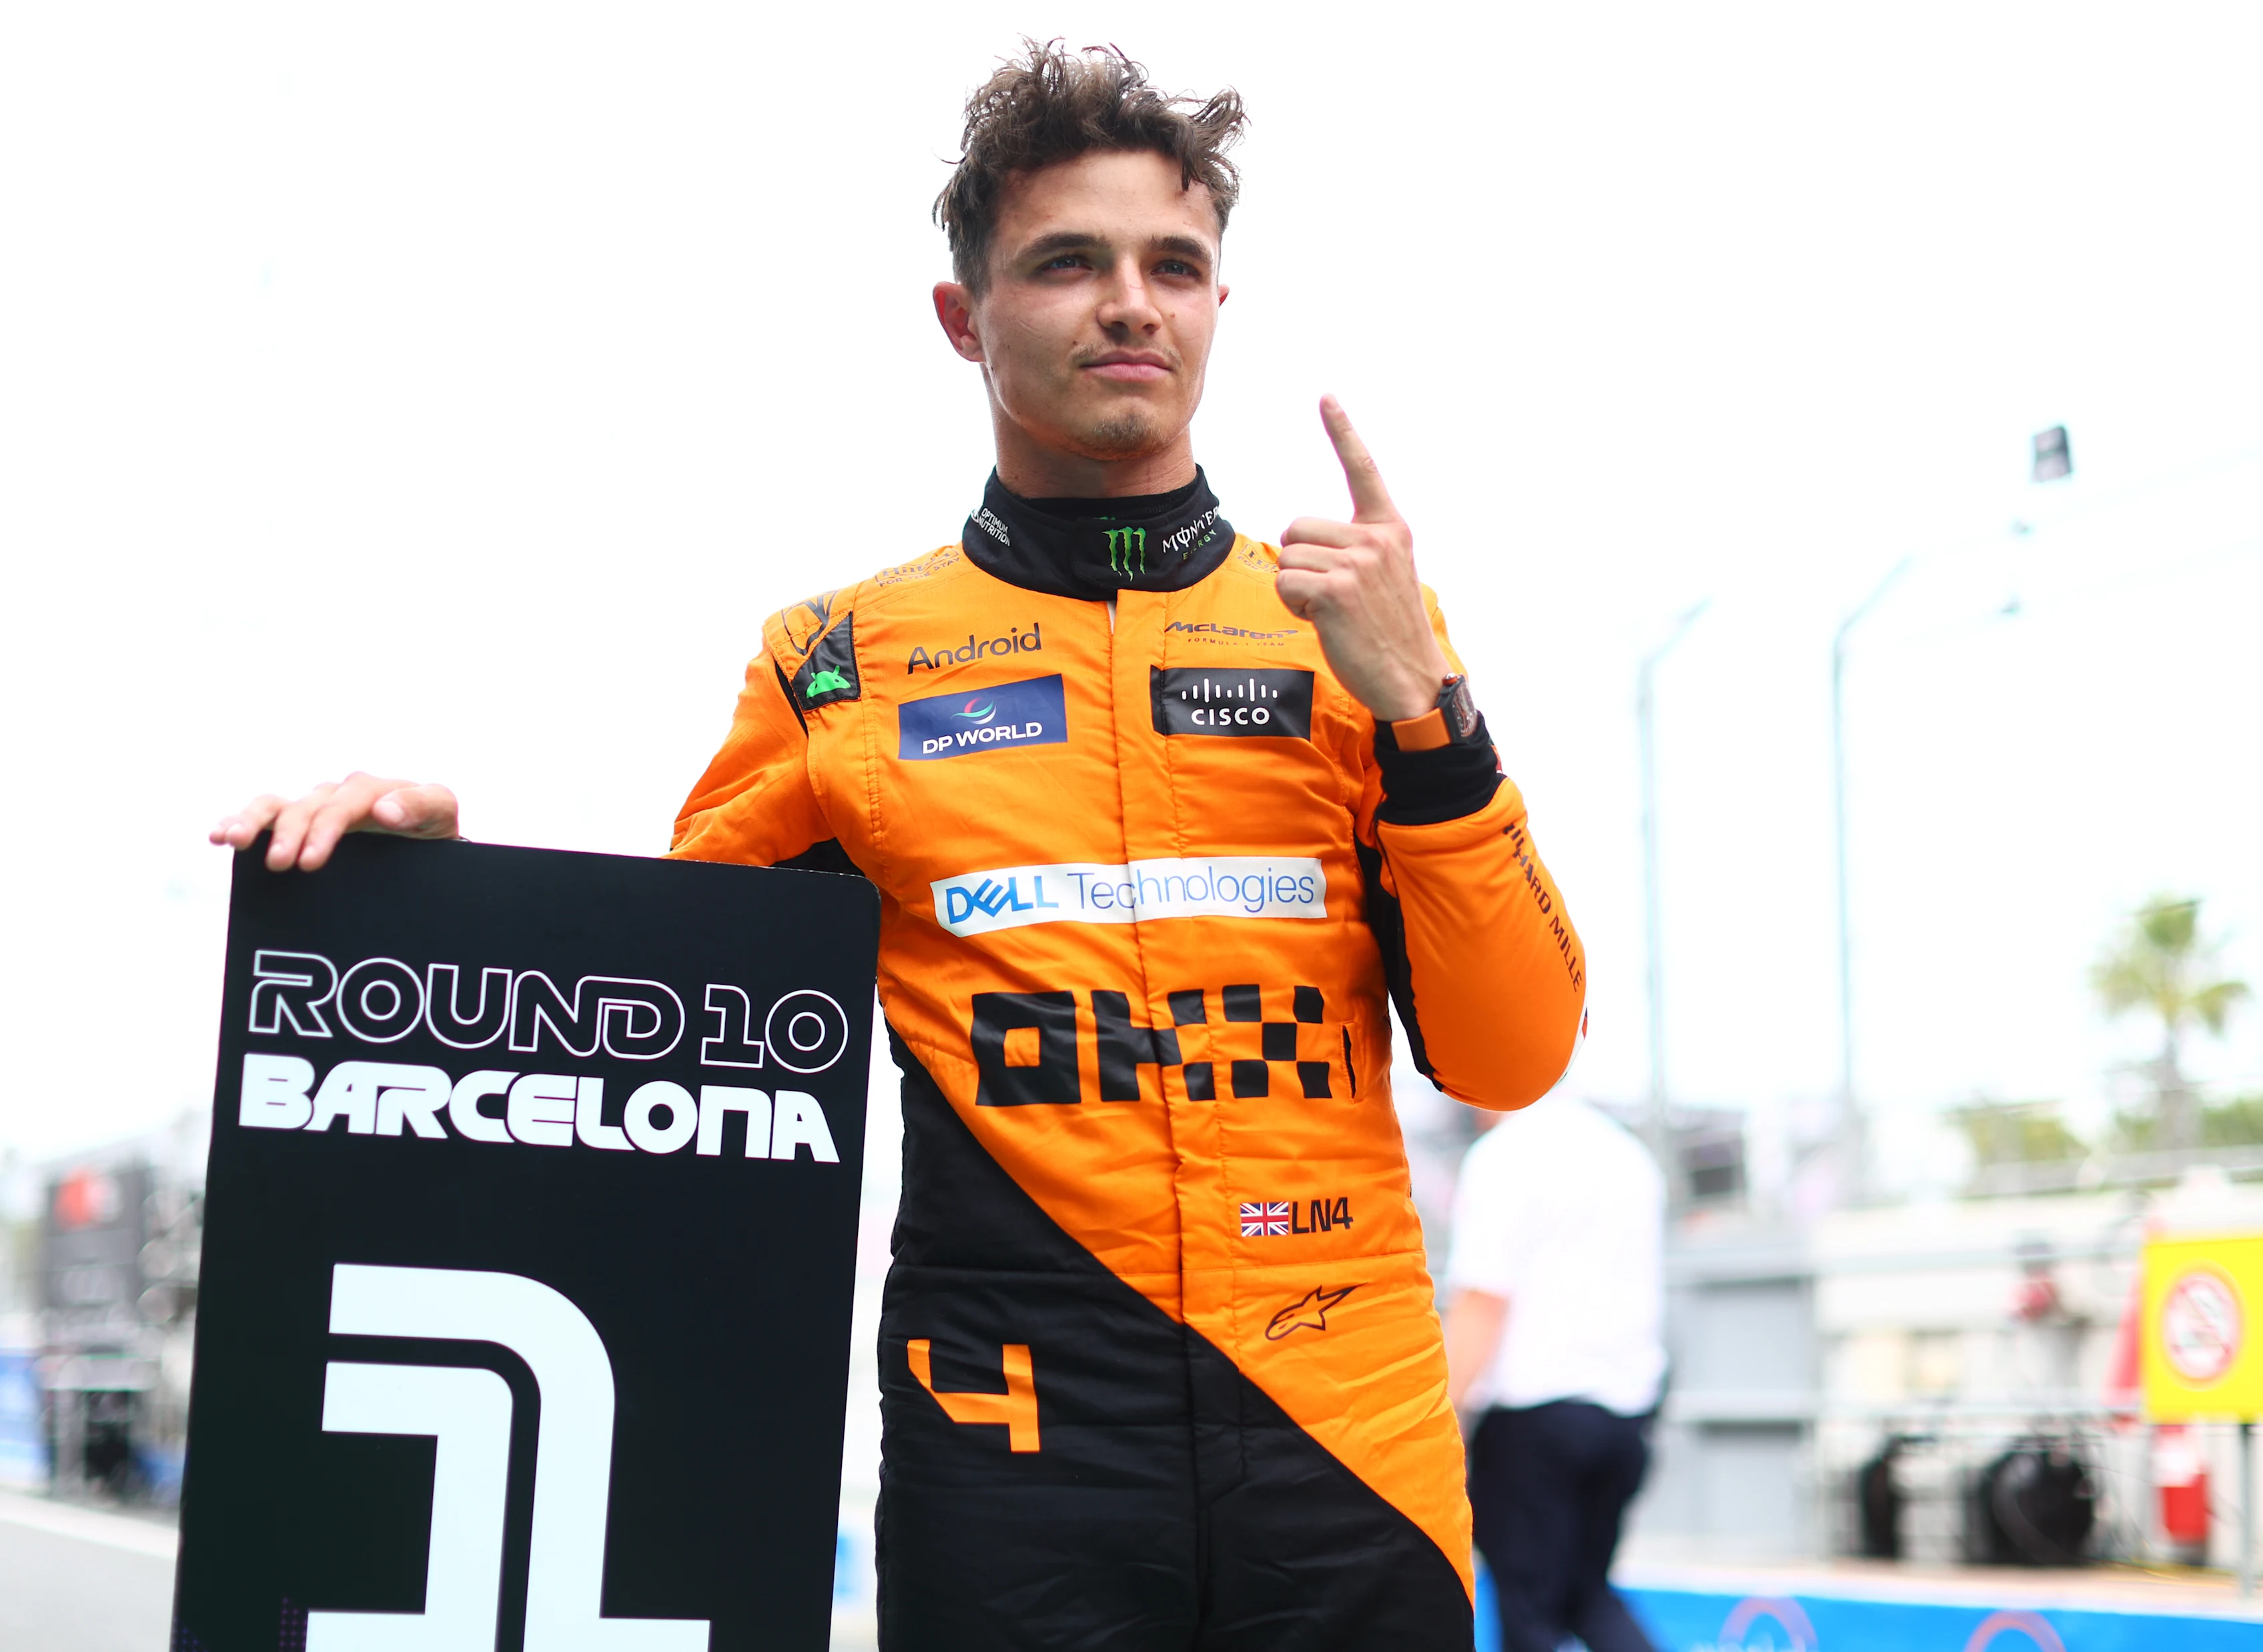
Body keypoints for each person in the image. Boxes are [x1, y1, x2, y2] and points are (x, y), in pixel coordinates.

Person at [214, 43, 1587, 1650]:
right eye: (1066, 261)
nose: (1129, 302)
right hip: (1011, 1454)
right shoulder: (835, 659)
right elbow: (666, 1019)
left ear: (1219, 308)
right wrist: (450, 887)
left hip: (1347, 1445)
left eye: (1174, 266)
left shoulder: (1358, 634)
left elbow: (1509, 1057)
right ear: (965, 317)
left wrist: (1428, 713)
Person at [1444, 1095, 1666, 1652]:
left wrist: (1437, 1424)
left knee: (1530, 1616)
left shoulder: (1503, 1155)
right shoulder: (1627, 1153)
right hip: (1624, 1415)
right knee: (1588, 1596)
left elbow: (1482, 1302)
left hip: (1532, 1421)